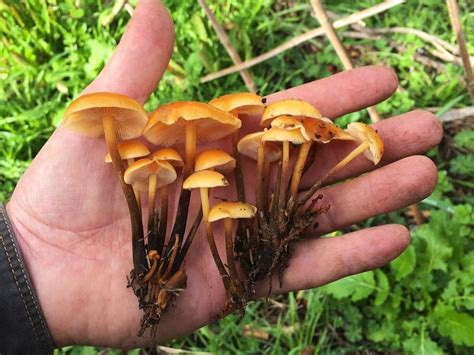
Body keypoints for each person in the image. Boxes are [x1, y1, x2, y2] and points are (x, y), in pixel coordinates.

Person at [0, 0, 442, 352]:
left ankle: (271, 237)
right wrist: (29, 258)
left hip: (245, 209)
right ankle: (155, 275)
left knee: (271, 183)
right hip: (140, 247)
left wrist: (23, 274)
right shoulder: (140, 157)